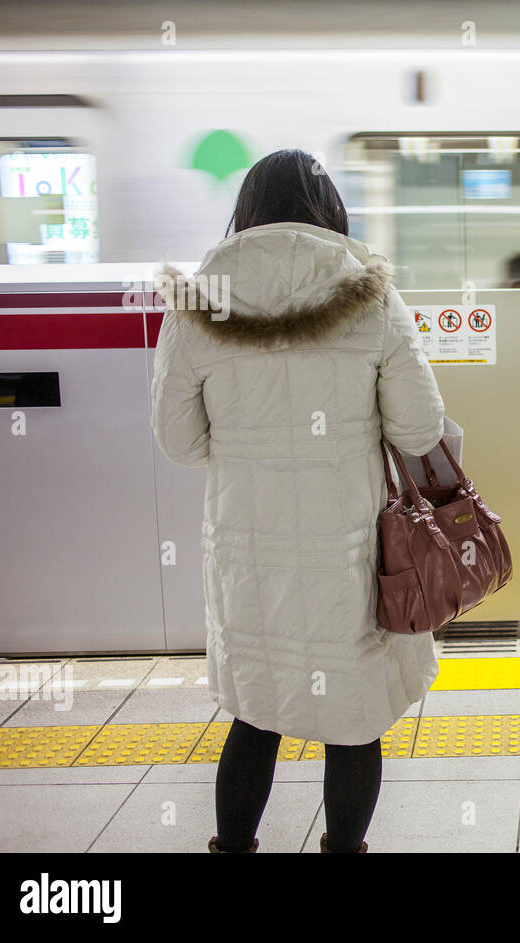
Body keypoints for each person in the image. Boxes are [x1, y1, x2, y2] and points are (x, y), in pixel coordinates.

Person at [150, 149, 446, 852]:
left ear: (244, 210)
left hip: (247, 556)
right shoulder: (371, 293)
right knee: (354, 716)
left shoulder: (199, 300)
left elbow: (177, 441)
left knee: (255, 713)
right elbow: (419, 429)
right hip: (345, 556)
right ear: (331, 210)